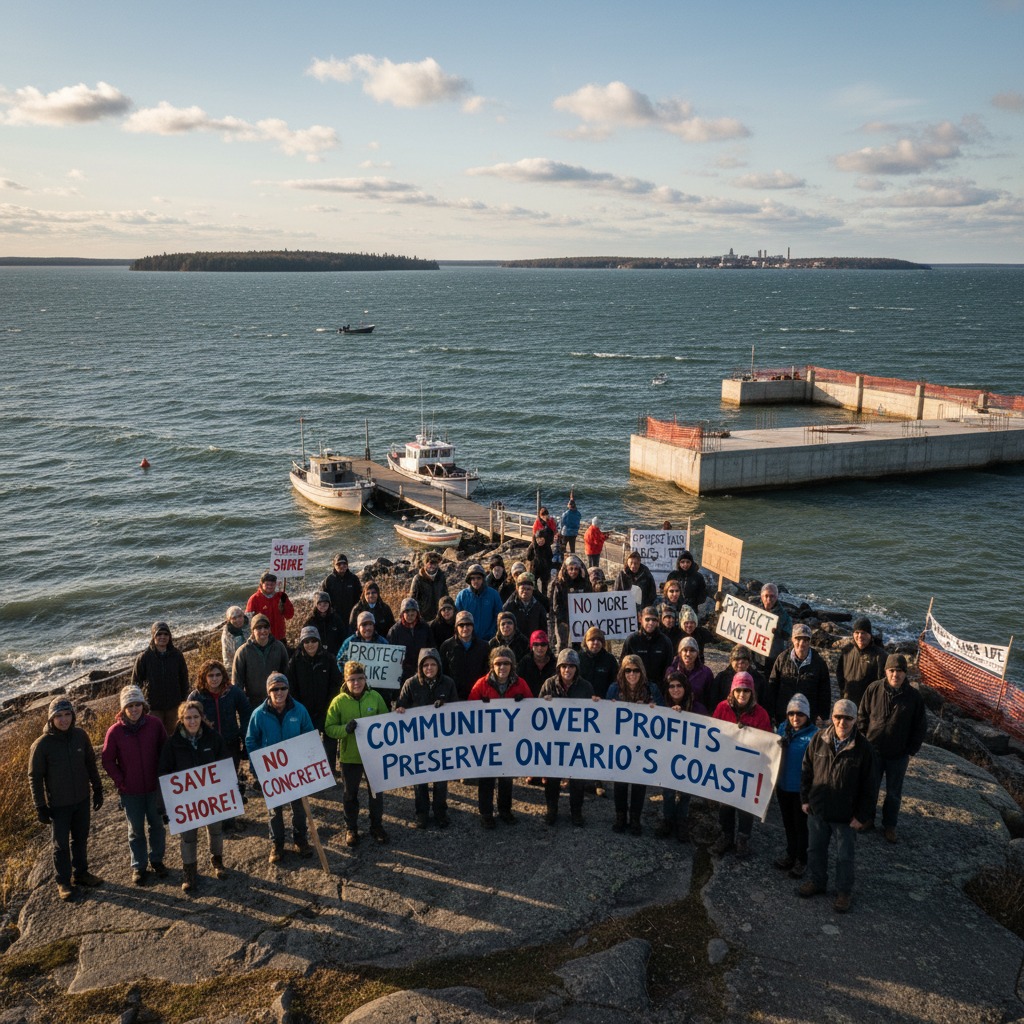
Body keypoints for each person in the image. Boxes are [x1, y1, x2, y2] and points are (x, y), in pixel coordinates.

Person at [799, 698, 875, 913]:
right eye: (838, 717)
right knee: (815, 850)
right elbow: (807, 770)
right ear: (832, 717)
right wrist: (805, 799)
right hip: (818, 808)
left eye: (848, 718)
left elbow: (871, 786)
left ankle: (843, 892)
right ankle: (817, 882)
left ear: (855, 720)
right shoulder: (818, 739)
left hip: (846, 814)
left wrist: (862, 815)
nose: (842, 722)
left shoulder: (864, 748)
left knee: (844, 856)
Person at [29, 697, 104, 901]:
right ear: (51, 719)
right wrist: (40, 806)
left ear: (73, 715)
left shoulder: (80, 736)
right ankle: (63, 882)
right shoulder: (42, 745)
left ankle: (81, 873)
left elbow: (90, 763)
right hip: (58, 805)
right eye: (58, 716)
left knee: (80, 838)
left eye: (67, 714)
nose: (64, 720)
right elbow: (34, 777)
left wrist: (97, 788)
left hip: (81, 799)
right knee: (60, 845)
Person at [158, 700, 230, 893]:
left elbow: (224, 762)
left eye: (196, 717)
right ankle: (189, 871)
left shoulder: (213, 737)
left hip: (211, 795)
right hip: (186, 799)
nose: (192, 721)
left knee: (215, 830)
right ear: (181, 719)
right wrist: (169, 799)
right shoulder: (173, 743)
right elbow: (164, 771)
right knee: (188, 836)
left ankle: (217, 861)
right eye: (188, 718)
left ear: (201, 717)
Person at [245, 672, 316, 864]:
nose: (279, 692)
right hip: (272, 771)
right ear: (268, 691)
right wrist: (258, 765)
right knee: (275, 811)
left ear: (288, 689)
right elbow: (251, 741)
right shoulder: (259, 714)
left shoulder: (299, 710)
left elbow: (309, 734)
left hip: (295, 769)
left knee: (299, 808)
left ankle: (300, 840)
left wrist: (307, 760)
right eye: (274, 689)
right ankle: (277, 844)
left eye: (283, 688)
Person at [101, 685, 168, 885]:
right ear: (123, 709)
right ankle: (139, 865)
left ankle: (157, 860)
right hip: (131, 791)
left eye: (137, 704)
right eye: (129, 705)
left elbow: (165, 750)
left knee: (157, 825)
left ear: (143, 706)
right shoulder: (114, 732)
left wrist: (163, 777)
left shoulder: (155, 724)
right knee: (136, 829)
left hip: (154, 788)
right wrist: (121, 781)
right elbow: (107, 760)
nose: (134, 709)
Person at [857, 654, 927, 843]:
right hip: (874, 751)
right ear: (886, 671)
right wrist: (865, 740)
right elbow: (862, 714)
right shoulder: (873, 689)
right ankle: (867, 819)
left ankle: (890, 826)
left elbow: (920, 727)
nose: (895, 674)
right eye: (892, 670)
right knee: (870, 788)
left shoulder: (914, 697)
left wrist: (910, 749)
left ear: (905, 673)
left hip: (898, 755)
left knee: (894, 793)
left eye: (899, 671)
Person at [325, 661, 390, 846]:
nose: (356, 683)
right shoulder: (338, 702)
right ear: (345, 680)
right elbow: (329, 728)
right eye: (352, 679)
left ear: (365, 679)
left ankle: (376, 826)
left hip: (374, 756)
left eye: (360, 678)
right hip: (350, 757)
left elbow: (386, 722)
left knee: (376, 793)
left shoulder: (375, 697)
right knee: (350, 795)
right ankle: (351, 829)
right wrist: (345, 730)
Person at [468, 647, 532, 829]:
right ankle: (486, 813)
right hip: (487, 739)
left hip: (509, 739)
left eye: (506, 663)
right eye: (498, 663)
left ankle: (505, 810)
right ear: (492, 665)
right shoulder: (481, 684)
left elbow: (532, 709)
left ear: (512, 665)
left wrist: (524, 703)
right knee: (487, 777)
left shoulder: (521, 684)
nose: (502, 667)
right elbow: (469, 709)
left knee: (506, 777)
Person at [396, 648, 459, 828]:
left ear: (438, 666)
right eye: (425, 665)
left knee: (441, 779)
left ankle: (440, 812)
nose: (429, 668)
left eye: (432, 664)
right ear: (420, 667)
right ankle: (421, 813)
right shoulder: (411, 683)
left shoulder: (448, 683)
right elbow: (401, 705)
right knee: (420, 779)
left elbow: (457, 709)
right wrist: (400, 709)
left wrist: (446, 706)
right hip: (418, 740)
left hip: (441, 739)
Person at [711, 673, 772, 858]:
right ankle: (726, 835)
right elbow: (713, 732)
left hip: (748, 767)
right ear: (733, 690)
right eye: (738, 690)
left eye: (746, 690)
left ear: (751, 691)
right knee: (725, 802)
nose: (742, 694)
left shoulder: (761, 713)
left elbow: (767, 739)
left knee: (746, 803)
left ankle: (743, 839)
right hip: (726, 765)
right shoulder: (722, 707)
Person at [187, 659, 251, 831]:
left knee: (230, 783)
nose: (214, 679)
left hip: (230, 743)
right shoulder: (196, 696)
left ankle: (230, 821)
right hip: (206, 747)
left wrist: (245, 741)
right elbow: (186, 722)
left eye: (218, 675)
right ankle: (215, 822)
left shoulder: (233, 692)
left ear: (223, 675)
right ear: (204, 677)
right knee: (211, 785)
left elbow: (246, 715)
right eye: (210, 675)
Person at [538, 649, 596, 826]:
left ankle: (576, 812)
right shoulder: (548, 685)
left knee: (577, 778)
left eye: (571, 666)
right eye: (564, 666)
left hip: (577, 740)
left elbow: (593, 714)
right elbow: (537, 713)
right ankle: (551, 810)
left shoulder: (586, 687)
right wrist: (543, 703)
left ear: (576, 668)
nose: (567, 670)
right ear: (559, 668)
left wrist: (596, 703)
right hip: (554, 740)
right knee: (553, 777)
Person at [607, 655, 661, 835]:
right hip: (621, 744)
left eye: (636, 670)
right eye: (628, 670)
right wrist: (607, 705)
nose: (632, 674)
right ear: (623, 671)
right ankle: (620, 816)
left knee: (639, 782)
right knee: (620, 782)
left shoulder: (652, 689)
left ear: (642, 671)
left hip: (643, 745)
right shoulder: (614, 689)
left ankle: (635, 818)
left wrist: (653, 707)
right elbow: (604, 716)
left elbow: (664, 713)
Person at [288, 626, 343, 776]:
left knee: (330, 742)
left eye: (313, 640)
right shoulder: (294, 661)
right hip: (304, 710)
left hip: (327, 708)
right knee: (307, 744)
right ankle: (311, 773)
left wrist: (330, 705)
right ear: (302, 643)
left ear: (318, 641)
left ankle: (330, 770)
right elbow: (291, 687)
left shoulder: (329, 658)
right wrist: (298, 707)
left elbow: (337, 683)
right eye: (306, 641)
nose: (310, 644)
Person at [773, 693, 818, 878]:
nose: (795, 718)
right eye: (791, 714)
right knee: (788, 823)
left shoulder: (814, 736)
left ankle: (802, 859)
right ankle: (790, 854)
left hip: (801, 790)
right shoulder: (782, 729)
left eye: (799, 714)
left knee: (801, 826)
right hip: (783, 786)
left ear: (807, 716)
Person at [765, 623, 832, 727]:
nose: (802, 643)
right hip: (783, 715)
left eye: (806, 640)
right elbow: (772, 686)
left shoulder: (819, 663)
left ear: (810, 641)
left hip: (808, 717)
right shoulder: (782, 659)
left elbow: (825, 692)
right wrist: (770, 713)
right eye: (798, 639)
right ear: (792, 639)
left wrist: (823, 716)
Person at [656, 672, 697, 842]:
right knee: (668, 790)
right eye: (671, 686)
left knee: (686, 791)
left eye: (679, 685)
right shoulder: (661, 705)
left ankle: (682, 821)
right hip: (668, 754)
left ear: (685, 688)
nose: (675, 689)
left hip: (690, 755)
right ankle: (668, 820)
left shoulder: (697, 706)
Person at [131, 621, 190, 734]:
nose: (162, 637)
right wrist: (140, 705)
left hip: (174, 705)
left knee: (174, 735)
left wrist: (183, 701)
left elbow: (184, 679)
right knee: (155, 736)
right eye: (159, 634)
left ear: (170, 636)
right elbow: (135, 684)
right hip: (153, 707)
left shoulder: (177, 655)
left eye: (165, 634)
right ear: (153, 636)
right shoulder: (144, 657)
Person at [232, 613, 289, 708]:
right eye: (258, 628)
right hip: (252, 704)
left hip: (277, 701)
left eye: (266, 627)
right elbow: (237, 682)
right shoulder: (243, 652)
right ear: (252, 631)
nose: (263, 631)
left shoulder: (279, 647)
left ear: (270, 629)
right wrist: (241, 705)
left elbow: (287, 674)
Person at [387, 598, 433, 701]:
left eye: (413, 611)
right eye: (407, 611)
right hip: (403, 672)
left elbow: (431, 648)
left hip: (423, 670)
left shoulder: (425, 627)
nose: (410, 614)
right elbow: (391, 655)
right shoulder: (395, 630)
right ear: (402, 613)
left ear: (417, 613)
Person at [836, 617, 888, 707]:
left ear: (870, 635)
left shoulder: (880, 655)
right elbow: (839, 672)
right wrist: (843, 691)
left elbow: (883, 684)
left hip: (868, 705)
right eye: (857, 632)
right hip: (847, 701)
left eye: (863, 633)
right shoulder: (847, 650)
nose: (860, 636)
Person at [440, 610, 491, 700]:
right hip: (454, 695)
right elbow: (443, 672)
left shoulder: (484, 646)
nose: (465, 628)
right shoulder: (447, 646)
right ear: (456, 627)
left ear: (473, 626)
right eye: (461, 625)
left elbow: (487, 671)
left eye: (468, 624)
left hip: (478, 694)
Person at [621, 606, 675, 686]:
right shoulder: (631, 640)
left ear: (658, 621)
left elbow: (669, 667)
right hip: (635, 686)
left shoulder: (665, 642)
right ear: (640, 619)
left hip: (658, 687)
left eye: (654, 620)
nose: (651, 623)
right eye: (647, 619)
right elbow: (623, 665)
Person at [550, 554, 591, 651]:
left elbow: (589, 596)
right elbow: (556, 604)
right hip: (563, 618)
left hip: (578, 618)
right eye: (571, 569)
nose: (573, 572)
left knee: (577, 644)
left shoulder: (582, 582)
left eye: (576, 569)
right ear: (566, 570)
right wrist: (562, 619)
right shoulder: (559, 583)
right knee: (562, 643)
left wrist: (585, 580)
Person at [454, 563, 504, 641]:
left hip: (489, 640)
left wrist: (493, 633)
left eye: (478, 578)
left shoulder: (493, 594)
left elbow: (499, 616)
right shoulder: (462, 595)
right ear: (469, 580)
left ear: (483, 579)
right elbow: (457, 618)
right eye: (473, 579)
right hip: (467, 639)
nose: (476, 581)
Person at [709, 645, 767, 711]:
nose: (740, 662)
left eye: (744, 659)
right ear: (731, 661)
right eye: (737, 659)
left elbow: (765, 703)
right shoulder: (721, 678)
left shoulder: (759, 679)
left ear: (749, 661)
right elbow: (713, 702)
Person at [664, 637, 712, 713]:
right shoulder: (671, 671)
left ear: (697, 653)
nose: (688, 654)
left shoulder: (706, 672)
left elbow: (709, 698)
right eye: (685, 650)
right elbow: (666, 694)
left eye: (692, 650)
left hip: (697, 713)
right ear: (680, 653)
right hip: (674, 712)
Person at [245, 571, 294, 645]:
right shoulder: (254, 599)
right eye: (267, 584)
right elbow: (248, 622)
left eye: (272, 584)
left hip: (280, 637)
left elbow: (289, 615)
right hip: (262, 639)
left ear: (276, 584)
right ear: (261, 584)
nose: (270, 586)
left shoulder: (280, 597)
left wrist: (285, 603)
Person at [320, 553, 362, 630]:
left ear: (347, 564)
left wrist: (356, 611)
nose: (342, 566)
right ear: (334, 565)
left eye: (344, 563)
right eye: (339, 564)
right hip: (334, 617)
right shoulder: (328, 581)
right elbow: (323, 600)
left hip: (351, 615)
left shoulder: (354, 579)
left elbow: (359, 596)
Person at [758, 583, 793, 676]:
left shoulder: (784, 616)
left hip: (774, 656)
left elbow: (787, 635)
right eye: (766, 596)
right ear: (762, 597)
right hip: (756, 656)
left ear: (777, 597)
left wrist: (778, 632)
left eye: (772, 596)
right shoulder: (754, 611)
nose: (769, 599)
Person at [502, 573, 548, 640]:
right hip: (514, 645)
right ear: (517, 588)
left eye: (528, 589)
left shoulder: (539, 608)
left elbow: (543, 632)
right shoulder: (508, 607)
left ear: (533, 589)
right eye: (522, 588)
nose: (525, 591)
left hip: (533, 645)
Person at [614, 550, 657, 620]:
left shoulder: (646, 573)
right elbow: (616, 593)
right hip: (625, 610)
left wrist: (645, 609)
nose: (633, 566)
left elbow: (652, 593)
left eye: (636, 563)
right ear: (627, 562)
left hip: (642, 610)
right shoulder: (622, 574)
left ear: (640, 562)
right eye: (631, 563)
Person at [579, 626, 618, 699]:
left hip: (603, 702)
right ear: (586, 642)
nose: (596, 642)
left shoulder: (610, 659)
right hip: (582, 702)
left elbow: (615, 682)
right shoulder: (579, 658)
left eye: (599, 640)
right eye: (592, 639)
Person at [409, 551, 448, 623]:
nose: (432, 566)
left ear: (437, 564)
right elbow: (412, 599)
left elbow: (445, 595)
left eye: (434, 564)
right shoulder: (418, 579)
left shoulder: (441, 576)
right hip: (423, 616)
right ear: (424, 564)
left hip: (438, 614)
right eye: (429, 563)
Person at [304, 592, 346, 656]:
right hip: (316, 654)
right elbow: (305, 638)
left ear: (329, 604)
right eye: (320, 604)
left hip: (334, 653)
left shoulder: (336, 619)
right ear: (316, 605)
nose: (322, 606)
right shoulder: (311, 621)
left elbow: (343, 636)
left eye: (325, 604)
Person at [518, 629, 556, 697]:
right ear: (531, 646)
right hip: (528, 701)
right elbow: (518, 682)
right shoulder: (524, 662)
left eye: (543, 644)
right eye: (536, 644)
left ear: (547, 646)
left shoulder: (554, 662)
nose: (540, 648)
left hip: (549, 701)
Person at [525, 531, 554, 597]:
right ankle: (535, 596)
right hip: (535, 568)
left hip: (545, 568)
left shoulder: (547, 546)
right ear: (535, 539)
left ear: (545, 539)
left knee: (544, 586)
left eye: (542, 540)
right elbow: (528, 557)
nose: (540, 542)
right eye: (538, 540)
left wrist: (549, 566)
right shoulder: (533, 545)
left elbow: (550, 556)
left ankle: (544, 597)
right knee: (533, 584)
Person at [221, 606, 249, 673]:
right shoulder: (227, 636)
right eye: (234, 618)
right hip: (238, 666)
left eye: (240, 616)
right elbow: (227, 658)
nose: (238, 620)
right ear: (229, 620)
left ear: (243, 615)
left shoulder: (250, 624)